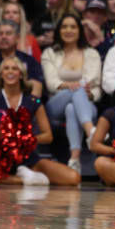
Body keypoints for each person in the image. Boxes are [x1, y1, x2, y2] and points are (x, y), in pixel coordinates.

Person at [0, 56, 81, 186]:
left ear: (21, 74)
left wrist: (26, 140)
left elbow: (48, 136)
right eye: (6, 68)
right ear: (1, 74)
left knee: (73, 177)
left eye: (15, 68)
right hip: (1, 158)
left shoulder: (33, 101)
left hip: (28, 157)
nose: (10, 71)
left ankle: (24, 173)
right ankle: (23, 180)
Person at [42, 14, 102, 174]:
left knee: (71, 108)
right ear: (58, 31)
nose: (68, 30)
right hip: (56, 102)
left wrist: (89, 93)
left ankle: (74, 159)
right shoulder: (49, 53)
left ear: (80, 31)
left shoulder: (92, 54)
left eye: (73, 27)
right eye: (64, 27)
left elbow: (96, 88)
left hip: (87, 104)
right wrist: (73, 86)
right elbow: (51, 83)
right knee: (79, 88)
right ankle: (91, 132)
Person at [0, 20, 44, 97]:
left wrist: (28, 105)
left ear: (17, 38)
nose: (3, 37)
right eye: (0, 34)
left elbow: (37, 88)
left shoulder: (29, 60)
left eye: (8, 33)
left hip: (26, 104)